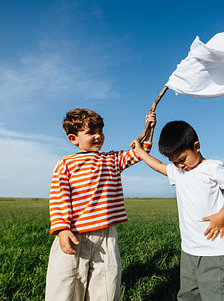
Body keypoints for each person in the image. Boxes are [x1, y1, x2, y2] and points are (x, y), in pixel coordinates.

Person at [46, 108, 156, 301]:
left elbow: (141, 152)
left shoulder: (112, 159)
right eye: (91, 132)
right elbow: (59, 196)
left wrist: (149, 128)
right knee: (67, 284)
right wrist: (62, 230)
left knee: (106, 285)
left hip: (107, 234)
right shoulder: (66, 163)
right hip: (76, 235)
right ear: (74, 138)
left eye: (100, 131)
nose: (98, 136)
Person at [132, 120, 224, 301]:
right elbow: (158, 165)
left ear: (196, 146)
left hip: (215, 250)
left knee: (220, 295)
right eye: (174, 162)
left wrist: (221, 216)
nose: (180, 166)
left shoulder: (212, 167)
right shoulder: (179, 172)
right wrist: (140, 151)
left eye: (182, 159)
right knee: (189, 295)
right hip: (189, 249)